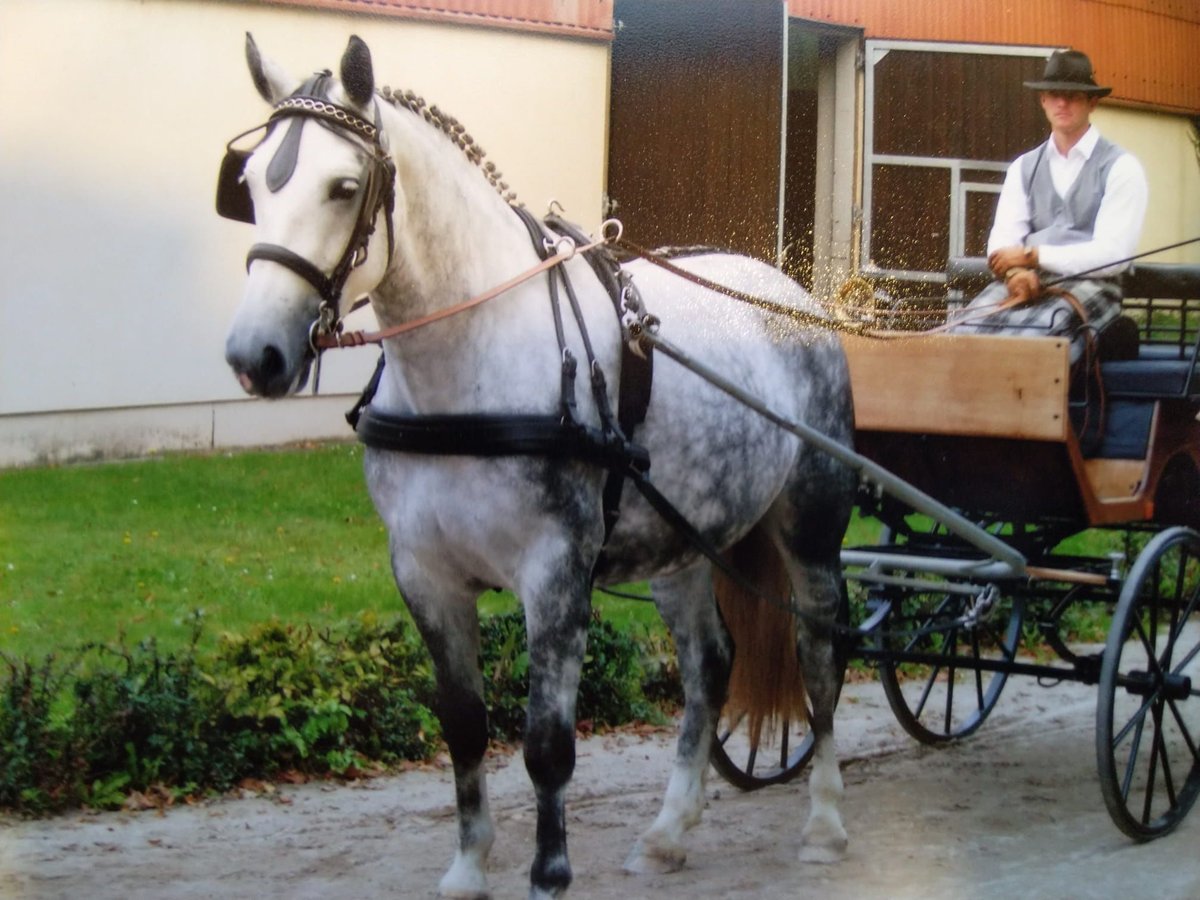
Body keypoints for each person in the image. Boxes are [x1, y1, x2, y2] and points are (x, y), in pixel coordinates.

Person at [949, 49, 1148, 363]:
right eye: (1054, 95)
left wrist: (1032, 256)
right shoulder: (1023, 167)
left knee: (1031, 348)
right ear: (1042, 100)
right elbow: (1002, 242)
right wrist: (1015, 271)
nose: (1062, 103)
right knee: (958, 336)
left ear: (1092, 102)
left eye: (1073, 95)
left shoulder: (1122, 167)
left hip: (1092, 286)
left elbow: (1114, 255)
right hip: (1024, 282)